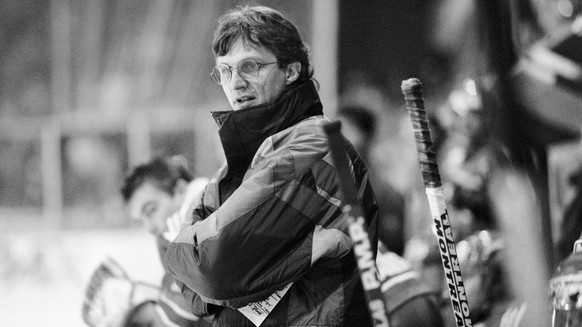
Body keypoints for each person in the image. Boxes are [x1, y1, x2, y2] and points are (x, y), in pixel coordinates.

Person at [164, 5, 380, 326]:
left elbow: (213, 267)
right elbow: (195, 291)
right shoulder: (246, 160)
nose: (235, 84)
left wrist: (181, 248)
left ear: (291, 71)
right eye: (225, 71)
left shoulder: (314, 147)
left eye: (250, 66)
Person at [121, 156, 210, 327]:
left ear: (181, 190)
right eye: (140, 222)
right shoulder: (167, 245)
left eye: (151, 211)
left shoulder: (223, 209)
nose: (149, 229)